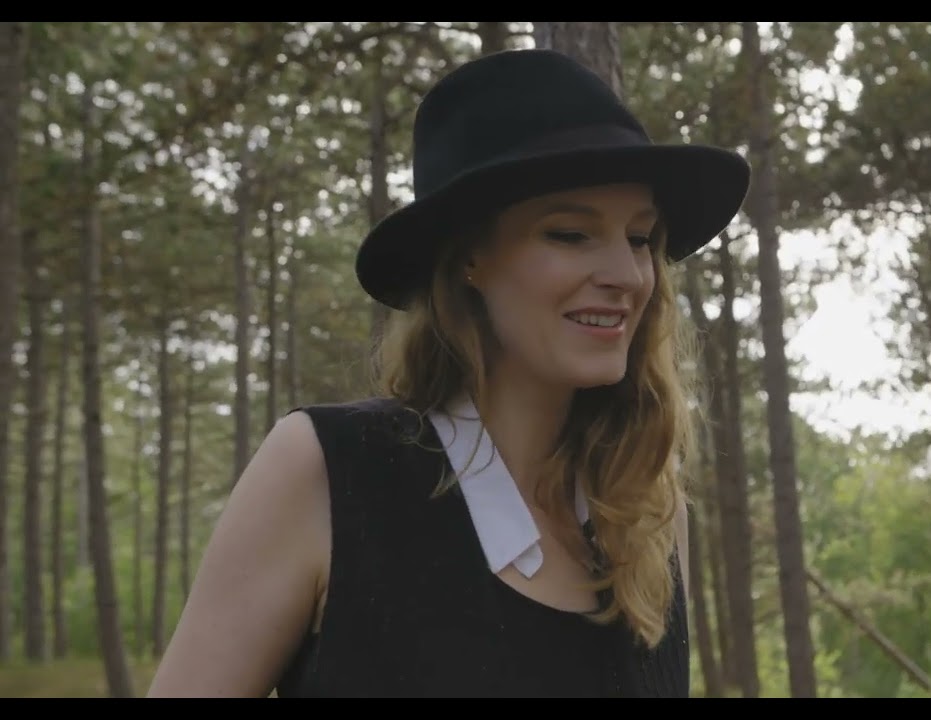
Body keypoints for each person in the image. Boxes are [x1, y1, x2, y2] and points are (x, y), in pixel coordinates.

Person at [146, 46, 751, 698]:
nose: (626, 275)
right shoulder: (329, 473)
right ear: (469, 259)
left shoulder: (647, 514)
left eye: (639, 238)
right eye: (570, 234)